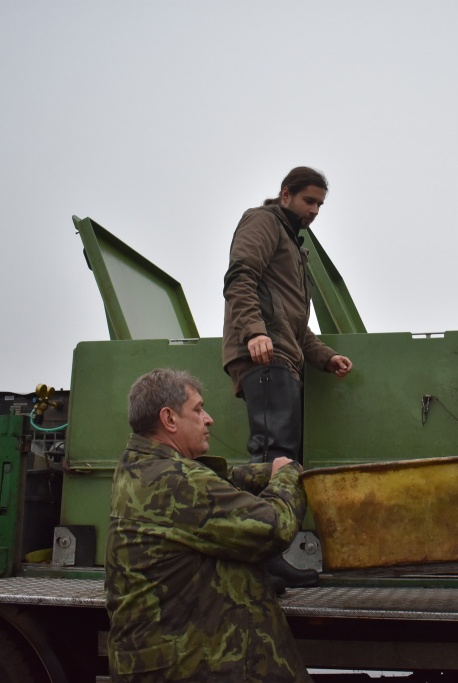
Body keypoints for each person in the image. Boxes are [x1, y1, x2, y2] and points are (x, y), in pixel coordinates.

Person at [105, 368, 312, 683]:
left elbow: (216, 482)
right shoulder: (177, 481)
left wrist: (264, 472)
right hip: (192, 667)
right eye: (198, 409)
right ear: (169, 419)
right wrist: (288, 475)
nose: (209, 419)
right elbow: (275, 526)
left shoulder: (138, 466)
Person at [222, 166, 353, 586]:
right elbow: (239, 278)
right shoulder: (262, 222)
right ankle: (258, 561)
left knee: (282, 459)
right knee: (270, 459)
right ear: (285, 195)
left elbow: (296, 325)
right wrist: (254, 332)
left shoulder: (294, 246)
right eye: (308, 200)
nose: (314, 210)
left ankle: (269, 554)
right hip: (264, 356)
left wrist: (326, 357)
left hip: (283, 356)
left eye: (320, 205)